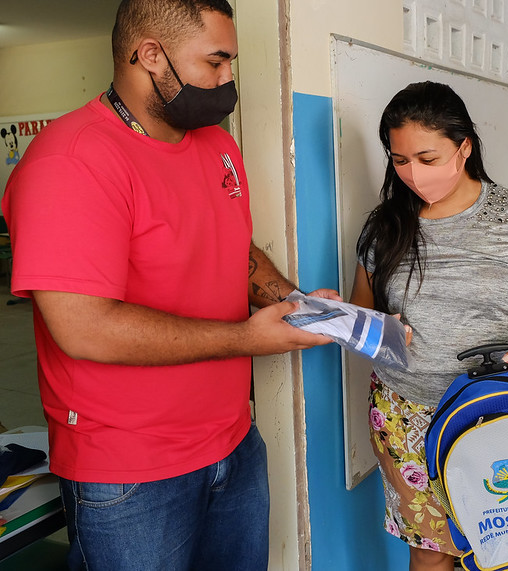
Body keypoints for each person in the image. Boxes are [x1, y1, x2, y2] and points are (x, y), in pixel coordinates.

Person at [0, 1, 338, 569]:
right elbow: (85, 329)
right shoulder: (72, 161)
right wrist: (248, 339)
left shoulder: (216, 147)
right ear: (150, 55)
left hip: (233, 443)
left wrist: (292, 300)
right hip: (129, 470)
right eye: (215, 61)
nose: (228, 79)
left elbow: (234, 247)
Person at [349, 81, 508, 571]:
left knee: (506, 543)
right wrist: (355, 321)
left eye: (427, 158)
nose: (411, 174)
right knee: (432, 552)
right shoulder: (383, 227)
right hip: (406, 411)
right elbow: (361, 313)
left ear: (463, 147)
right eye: (399, 160)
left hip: (490, 405)